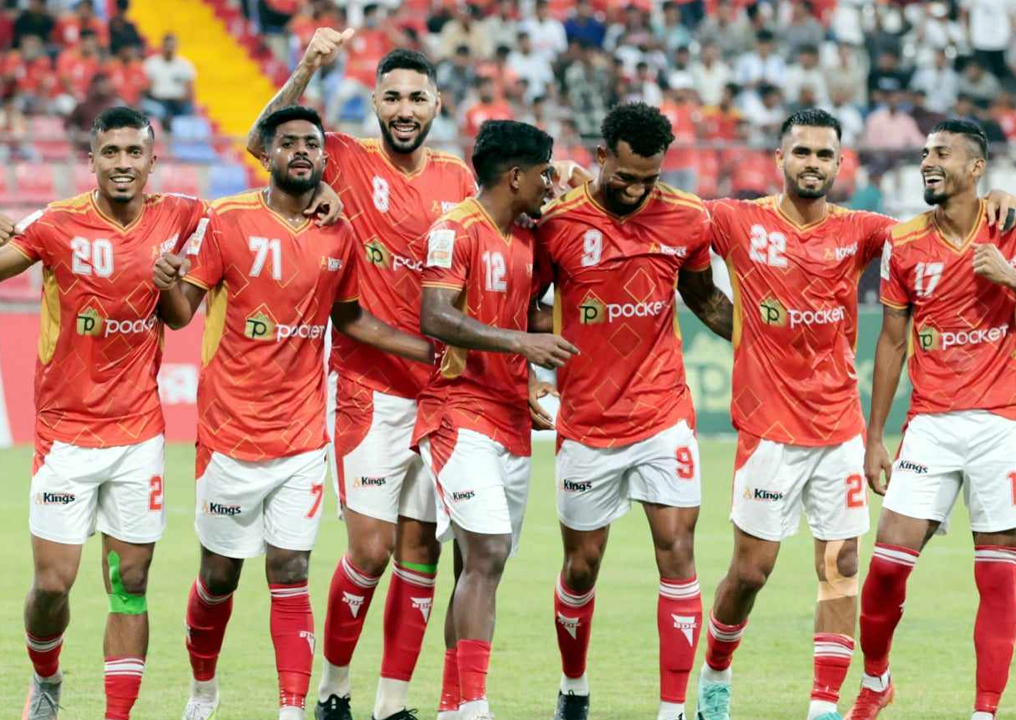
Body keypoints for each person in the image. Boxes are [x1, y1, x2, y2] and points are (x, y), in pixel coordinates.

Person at [693, 109, 1016, 720]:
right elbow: (667, 218)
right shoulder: (737, 220)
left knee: (842, 564)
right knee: (750, 573)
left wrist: (995, 196)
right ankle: (715, 669)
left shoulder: (866, 231)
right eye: (802, 152)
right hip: (768, 429)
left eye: (824, 155)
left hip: (839, 427)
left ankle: (823, 705)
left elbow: (938, 226)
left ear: (839, 164)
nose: (812, 164)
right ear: (779, 158)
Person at [160, 105, 434, 720]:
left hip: (305, 433)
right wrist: (165, 281)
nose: (302, 151)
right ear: (267, 153)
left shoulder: (340, 233)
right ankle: (202, 691)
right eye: (289, 143)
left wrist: (431, 350)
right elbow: (179, 315)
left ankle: (291, 708)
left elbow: (352, 320)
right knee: (220, 576)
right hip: (229, 433)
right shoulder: (227, 219)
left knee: (290, 569)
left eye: (312, 142)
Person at [243, 32, 479, 720]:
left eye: (417, 98)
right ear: (374, 102)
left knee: (420, 553)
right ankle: (333, 689)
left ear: (437, 104)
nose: (405, 109)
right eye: (393, 97)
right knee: (370, 552)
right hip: (368, 390)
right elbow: (262, 140)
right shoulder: (344, 158)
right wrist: (308, 67)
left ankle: (391, 704)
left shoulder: (457, 179)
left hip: (439, 397)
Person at [0, 106, 209, 720]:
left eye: (134, 152)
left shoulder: (182, 215)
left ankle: (116, 716)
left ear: (152, 160)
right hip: (65, 434)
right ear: (90, 159)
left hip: (138, 433)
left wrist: (323, 198)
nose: (123, 163)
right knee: (52, 585)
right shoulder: (57, 223)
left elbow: (185, 306)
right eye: (110, 153)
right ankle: (46, 678)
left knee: (131, 583)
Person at [848, 119, 1016, 720]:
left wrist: (1012, 277)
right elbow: (891, 342)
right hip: (931, 423)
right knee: (886, 569)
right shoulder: (904, 242)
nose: (928, 161)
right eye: (925, 152)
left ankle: (984, 712)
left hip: (1001, 424)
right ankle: (875, 682)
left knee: (997, 578)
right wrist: (875, 437)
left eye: (942, 153)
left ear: (976, 168)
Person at [535, 101, 734, 720]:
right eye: (624, 177)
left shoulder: (685, 217)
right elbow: (518, 307)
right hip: (587, 422)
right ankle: (573, 687)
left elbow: (705, 299)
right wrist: (541, 358)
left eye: (649, 178)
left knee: (677, 550)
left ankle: (672, 711)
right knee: (581, 566)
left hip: (662, 414)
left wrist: (770, 345)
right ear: (600, 157)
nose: (637, 189)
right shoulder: (557, 223)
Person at [415, 118, 577, 720]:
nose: (549, 183)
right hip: (457, 413)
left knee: (479, 564)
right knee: (487, 551)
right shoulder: (454, 230)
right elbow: (435, 316)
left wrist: (528, 375)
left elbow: (522, 314)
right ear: (515, 176)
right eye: (543, 173)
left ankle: (452, 705)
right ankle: (476, 706)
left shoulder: (525, 237)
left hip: (510, 417)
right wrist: (520, 344)